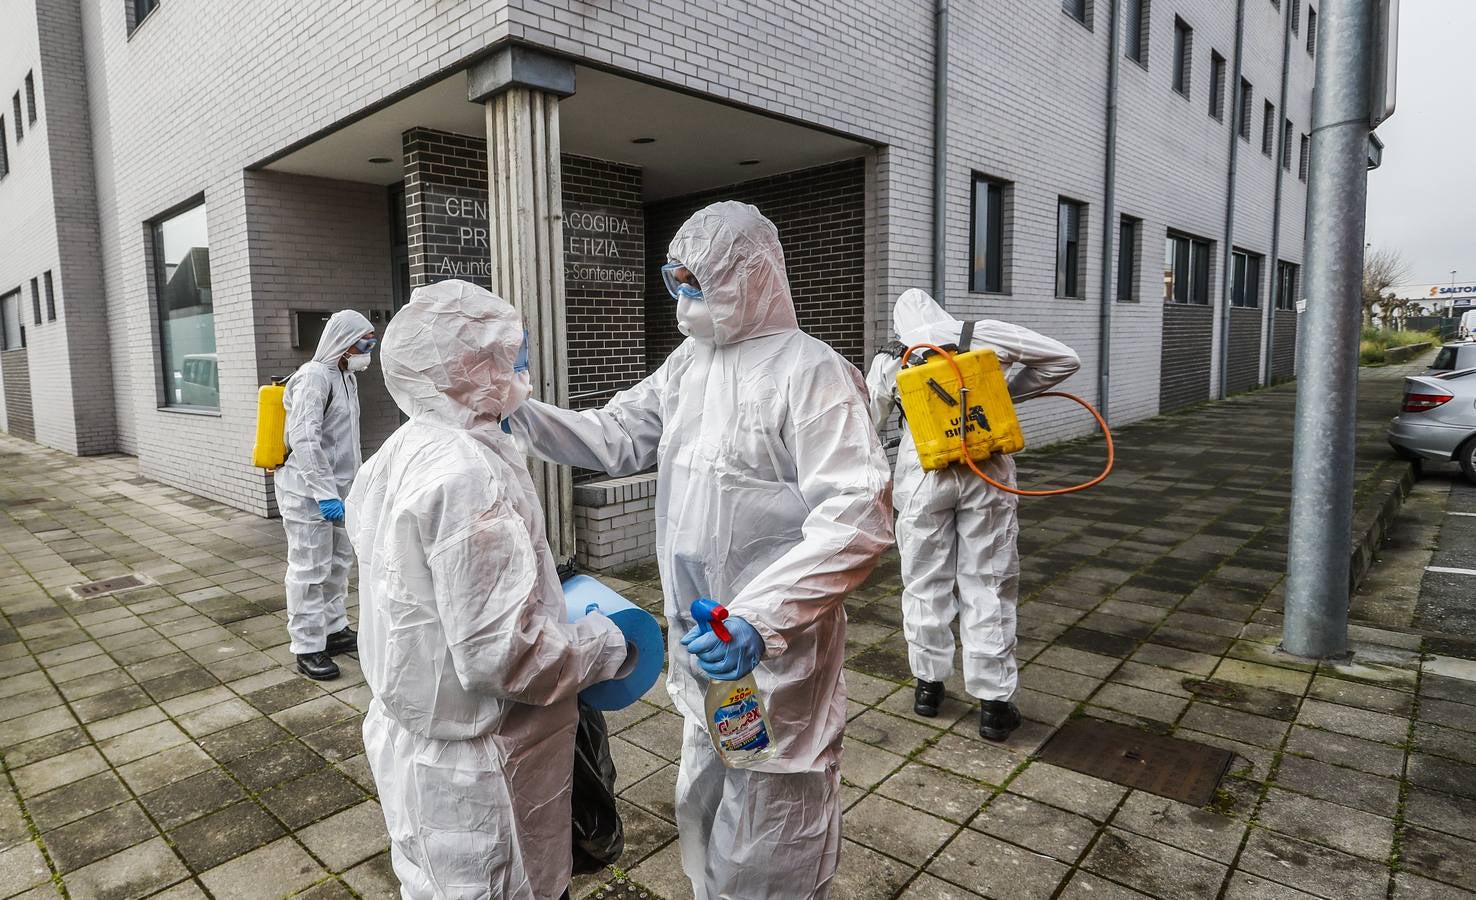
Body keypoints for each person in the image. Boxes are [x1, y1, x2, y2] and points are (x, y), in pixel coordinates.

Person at [509, 201, 893, 900]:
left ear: (748, 277)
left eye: (697, 283)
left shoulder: (812, 373)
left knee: (773, 827)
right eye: (675, 283)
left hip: (774, 653)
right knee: (706, 809)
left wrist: (762, 619)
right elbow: (618, 434)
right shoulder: (691, 363)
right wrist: (517, 410)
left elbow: (858, 514)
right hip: (702, 651)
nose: (684, 301)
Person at [347, 279, 629, 900]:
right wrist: (607, 647)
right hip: (479, 772)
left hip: (415, 745)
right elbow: (504, 656)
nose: (521, 367)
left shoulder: (399, 451)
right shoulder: (468, 474)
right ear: (469, 366)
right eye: (511, 353)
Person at [865, 289, 1080, 741]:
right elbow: (1064, 359)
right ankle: (995, 707)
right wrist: (1000, 396)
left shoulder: (892, 358)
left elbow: (870, 421)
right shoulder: (985, 334)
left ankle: (928, 686)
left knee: (925, 581)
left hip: (922, 475)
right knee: (990, 581)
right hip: (988, 471)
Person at [274, 309, 376, 681]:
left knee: (338, 565)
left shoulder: (346, 377)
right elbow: (304, 438)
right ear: (342, 342)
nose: (368, 348)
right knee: (308, 568)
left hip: (341, 491)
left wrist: (355, 488)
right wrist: (323, 493)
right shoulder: (314, 377)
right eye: (363, 341)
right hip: (307, 494)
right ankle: (306, 646)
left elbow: (347, 442)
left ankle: (333, 629)